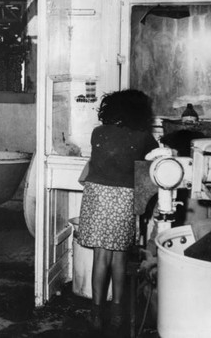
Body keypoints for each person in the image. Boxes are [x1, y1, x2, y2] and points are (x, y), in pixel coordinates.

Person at [77, 89, 158, 333]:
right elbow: (154, 161)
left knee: (100, 257)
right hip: (123, 198)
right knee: (120, 258)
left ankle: (96, 313)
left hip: (97, 196)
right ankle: (117, 314)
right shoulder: (143, 137)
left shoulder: (98, 132)